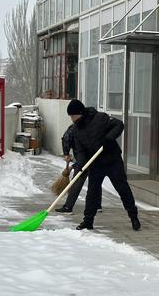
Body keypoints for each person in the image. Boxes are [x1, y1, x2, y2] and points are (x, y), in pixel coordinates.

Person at [66, 99, 140, 231]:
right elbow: (81, 150)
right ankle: (88, 221)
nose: (72, 119)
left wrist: (109, 138)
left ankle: (133, 216)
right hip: (96, 164)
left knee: (122, 188)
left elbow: (119, 124)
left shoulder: (100, 118)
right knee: (92, 193)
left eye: (73, 116)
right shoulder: (76, 130)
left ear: (80, 113)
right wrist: (81, 165)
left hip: (112, 160)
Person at [55, 124, 102, 214]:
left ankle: (68, 206)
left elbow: (66, 139)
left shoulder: (74, 129)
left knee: (77, 181)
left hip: (87, 159)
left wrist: (67, 155)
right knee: (95, 181)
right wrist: (68, 155)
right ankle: (97, 205)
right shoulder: (92, 128)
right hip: (96, 157)